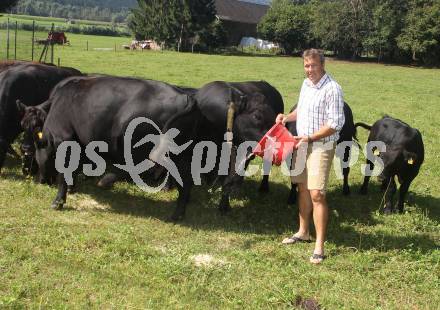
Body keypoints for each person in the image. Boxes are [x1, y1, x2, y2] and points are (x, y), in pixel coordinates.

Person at [275, 48, 345, 264]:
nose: (309, 70)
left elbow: (335, 124)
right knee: (303, 188)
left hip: (320, 146)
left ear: (322, 65)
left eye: (313, 65)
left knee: (317, 194)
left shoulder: (332, 89)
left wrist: (311, 138)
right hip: (301, 143)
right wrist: (287, 117)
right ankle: (303, 231)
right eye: (306, 65)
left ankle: (319, 246)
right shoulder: (306, 84)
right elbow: (302, 110)